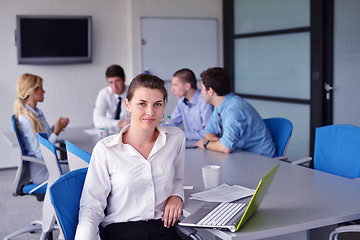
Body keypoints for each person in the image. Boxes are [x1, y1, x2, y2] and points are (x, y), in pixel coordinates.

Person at [75, 74, 185, 240]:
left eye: (157, 104)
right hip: (123, 230)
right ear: (128, 105)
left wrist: (177, 196)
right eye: (142, 104)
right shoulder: (106, 149)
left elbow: (177, 179)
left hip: (163, 228)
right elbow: (91, 206)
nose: (150, 112)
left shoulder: (175, 138)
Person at [195, 67, 275, 157]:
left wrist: (205, 143)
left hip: (261, 159)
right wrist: (218, 143)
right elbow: (209, 132)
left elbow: (225, 147)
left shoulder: (235, 109)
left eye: (202, 88)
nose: (201, 92)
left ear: (210, 91)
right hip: (240, 155)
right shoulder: (220, 105)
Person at [14, 73, 70, 184]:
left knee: (81, 168)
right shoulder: (26, 119)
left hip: (49, 164)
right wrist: (56, 131)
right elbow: (40, 153)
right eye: (41, 88)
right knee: (82, 171)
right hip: (42, 170)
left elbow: (45, 139)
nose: (44, 92)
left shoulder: (36, 113)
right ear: (32, 91)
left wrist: (56, 127)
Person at [170, 68, 213, 140]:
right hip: (191, 143)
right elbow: (173, 122)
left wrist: (180, 134)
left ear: (187, 86)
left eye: (175, 85)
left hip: (205, 145)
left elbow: (207, 133)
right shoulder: (181, 101)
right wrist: (157, 128)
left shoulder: (204, 101)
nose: (172, 89)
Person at [93, 64, 128, 130]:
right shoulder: (104, 93)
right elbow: (97, 120)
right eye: (111, 82)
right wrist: (119, 123)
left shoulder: (133, 93)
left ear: (124, 79)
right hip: (109, 132)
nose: (114, 86)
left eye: (117, 81)